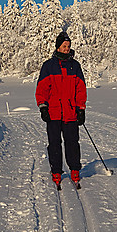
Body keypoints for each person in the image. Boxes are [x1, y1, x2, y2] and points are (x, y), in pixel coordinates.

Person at [36, 31, 86, 188]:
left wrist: (81, 108)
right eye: (64, 46)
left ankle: (74, 170)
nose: (67, 49)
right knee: (54, 143)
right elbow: (42, 89)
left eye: (68, 46)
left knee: (72, 143)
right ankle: (56, 171)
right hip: (53, 113)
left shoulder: (75, 66)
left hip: (70, 112)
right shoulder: (48, 66)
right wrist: (43, 106)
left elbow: (80, 89)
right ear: (58, 47)